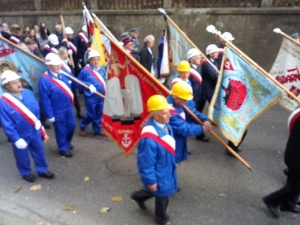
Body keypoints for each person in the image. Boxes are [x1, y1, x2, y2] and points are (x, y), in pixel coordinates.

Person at [0, 70, 54, 182]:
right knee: (21, 155)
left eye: (18, 81)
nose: (19, 84)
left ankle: (42, 169)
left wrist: (39, 123)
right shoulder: (3, 102)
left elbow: (36, 109)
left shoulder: (28, 93)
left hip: (34, 130)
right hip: (20, 134)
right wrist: (16, 139)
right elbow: (7, 124)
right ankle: (25, 172)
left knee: (39, 151)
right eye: (14, 83)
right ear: (6, 87)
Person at [131, 94, 177, 225]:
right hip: (159, 171)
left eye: (168, 111)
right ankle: (161, 218)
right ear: (156, 116)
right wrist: (151, 180)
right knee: (163, 195)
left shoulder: (165, 124)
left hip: (165, 166)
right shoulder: (149, 138)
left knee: (156, 189)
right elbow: (145, 163)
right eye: (165, 113)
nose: (169, 115)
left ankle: (138, 196)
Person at [263, 107, 300, 217]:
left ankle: (289, 204)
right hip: (296, 156)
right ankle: (271, 200)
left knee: (293, 180)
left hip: (294, 154)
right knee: (296, 185)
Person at [38, 53, 76, 158]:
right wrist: (49, 115)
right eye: (56, 64)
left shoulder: (64, 73)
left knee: (72, 125)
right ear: (49, 66)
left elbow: (76, 82)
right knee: (61, 129)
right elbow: (45, 100)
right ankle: (63, 148)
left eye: (59, 64)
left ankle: (66, 143)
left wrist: (88, 86)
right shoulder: (44, 80)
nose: (59, 66)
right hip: (57, 109)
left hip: (68, 107)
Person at [167, 81, 212, 163]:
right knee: (168, 165)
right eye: (185, 100)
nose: (186, 101)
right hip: (169, 145)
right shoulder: (170, 112)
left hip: (176, 141)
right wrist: (201, 128)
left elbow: (191, 112)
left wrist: (204, 119)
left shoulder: (179, 102)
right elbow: (184, 129)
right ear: (176, 99)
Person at [77, 50, 106, 137]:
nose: (96, 61)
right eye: (94, 59)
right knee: (91, 114)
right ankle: (82, 126)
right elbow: (78, 82)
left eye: (97, 59)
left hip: (101, 96)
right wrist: (88, 85)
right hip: (91, 97)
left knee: (99, 113)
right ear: (90, 60)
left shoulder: (101, 69)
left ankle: (97, 129)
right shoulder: (85, 71)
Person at [186, 50, 210, 142]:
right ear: (192, 59)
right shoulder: (188, 71)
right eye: (198, 57)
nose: (200, 58)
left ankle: (199, 134)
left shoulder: (200, 69)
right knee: (192, 116)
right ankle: (198, 133)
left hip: (201, 96)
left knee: (198, 114)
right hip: (193, 98)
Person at [58, 46, 83, 119]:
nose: (67, 55)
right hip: (66, 82)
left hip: (71, 80)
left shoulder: (68, 60)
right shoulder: (60, 63)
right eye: (65, 53)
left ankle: (79, 111)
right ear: (61, 54)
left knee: (75, 96)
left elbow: (72, 67)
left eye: (67, 53)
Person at [198, 44, 221, 112]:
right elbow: (213, 75)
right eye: (215, 52)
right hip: (207, 90)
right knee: (201, 106)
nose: (217, 53)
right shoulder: (206, 64)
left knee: (214, 107)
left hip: (212, 88)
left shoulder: (215, 61)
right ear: (211, 54)